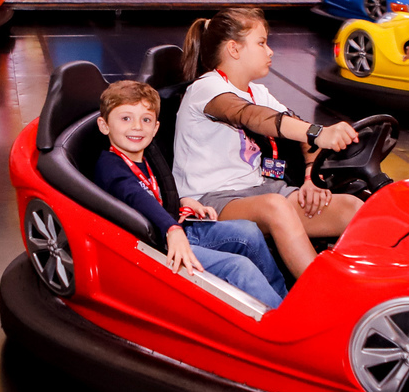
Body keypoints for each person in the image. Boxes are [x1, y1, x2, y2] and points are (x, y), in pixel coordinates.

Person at [174, 7, 362, 279]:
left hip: (259, 189)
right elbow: (250, 116)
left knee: (350, 208)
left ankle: (367, 286)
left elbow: (301, 133)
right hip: (209, 200)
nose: (270, 51)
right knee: (276, 207)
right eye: (261, 43)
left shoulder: (256, 91)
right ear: (234, 49)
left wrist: (311, 176)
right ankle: (320, 291)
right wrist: (317, 133)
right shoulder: (206, 88)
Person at [93, 80, 288, 310]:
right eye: (126, 118)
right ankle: (280, 321)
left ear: (155, 128)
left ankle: (284, 303)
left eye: (145, 120)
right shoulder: (110, 168)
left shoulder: (146, 155)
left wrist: (183, 202)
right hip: (153, 246)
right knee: (238, 266)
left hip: (172, 227)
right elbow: (136, 196)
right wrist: (172, 229)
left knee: (249, 232)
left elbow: (156, 193)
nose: (137, 127)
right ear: (104, 125)